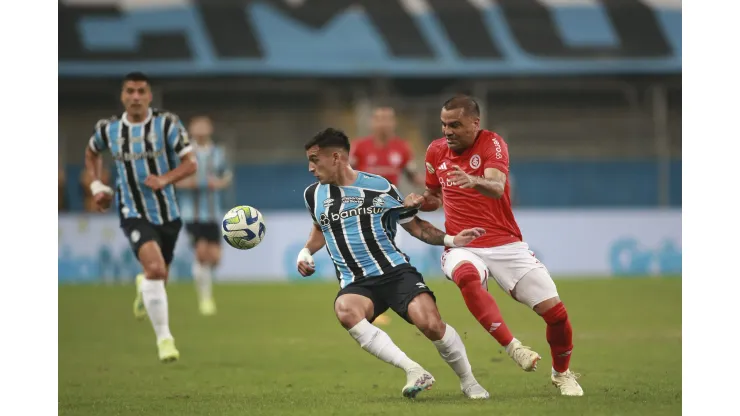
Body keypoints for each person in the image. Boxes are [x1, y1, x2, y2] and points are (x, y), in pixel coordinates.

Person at [406, 95, 583, 396]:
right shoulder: (436, 151)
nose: (447, 131)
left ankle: (562, 374)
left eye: (455, 125)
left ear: (475, 124)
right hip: (462, 243)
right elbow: (435, 195)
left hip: (505, 243)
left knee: (556, 315)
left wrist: (472, 180)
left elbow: (496, 186)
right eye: (444, 124)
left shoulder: (492, 143)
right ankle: (513, 347)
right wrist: (420, 201)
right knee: (466, 276)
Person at [296, 128, 489, 400]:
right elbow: (320, 227)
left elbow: (416, 227)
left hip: (395, 272)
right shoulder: (312, 195)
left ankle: (469, 381)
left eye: (315, 160)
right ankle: (413, 370)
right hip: (357, 282)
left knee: (431, 324)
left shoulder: (379, 187)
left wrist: (453, 239)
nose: (310, 168)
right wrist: (305, 252)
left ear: (336, 157)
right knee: (345, 310)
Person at [84, 72, 197, 363]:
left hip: (168, 212)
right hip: (132, 210)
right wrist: (97, 186)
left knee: (159, 277)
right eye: (130, 91)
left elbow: (190, 163)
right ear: (122, 96)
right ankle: (165, 340)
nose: (135, 97)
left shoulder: (167, 124)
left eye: (141, 91)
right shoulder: (109, 130)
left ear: (149, 96)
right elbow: (91, 152)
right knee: (157, 270)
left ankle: (142, 286)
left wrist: (164, 179)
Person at [176, 116, 232, 316]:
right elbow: (174, 179)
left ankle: (206, 288)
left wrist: (218, 183)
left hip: (213, 213)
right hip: (192, 214)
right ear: (191, 129)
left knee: (215, 258)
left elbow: (226, 177)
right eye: (196, 126)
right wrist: (188, 183)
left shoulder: (218, 153)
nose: (200, 129)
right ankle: (205, 299)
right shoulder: (185, 154)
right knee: (201, 254)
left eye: (204, 125)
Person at [350, 106, 425, 188]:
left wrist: (434, 182)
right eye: (379, 119)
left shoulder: (403, 147)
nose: (383, 124)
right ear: (371, 122)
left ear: (394, 122)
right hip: (366, 197)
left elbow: (414, 176)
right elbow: (345, 172)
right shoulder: (359, 146)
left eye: (387, 119)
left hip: (391, 198)